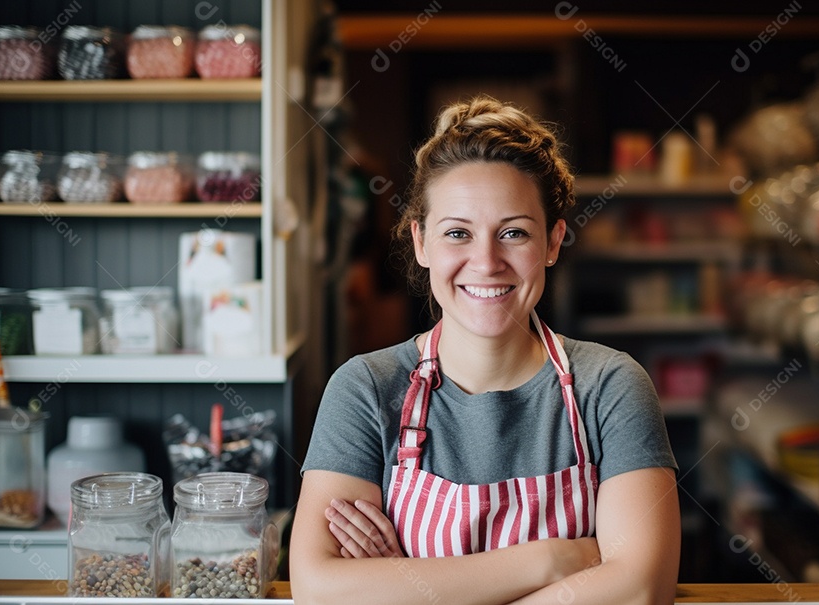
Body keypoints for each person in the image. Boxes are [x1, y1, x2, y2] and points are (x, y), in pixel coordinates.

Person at [291, 96, 681, 605]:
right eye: (457, 233)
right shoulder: (365, 389)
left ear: (553, 241)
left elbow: (640, 589)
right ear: (422, 243)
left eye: (513, 233)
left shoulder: (609, 386)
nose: (486, 261)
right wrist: (551, 560)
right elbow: (319, 588)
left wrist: (405, 585)